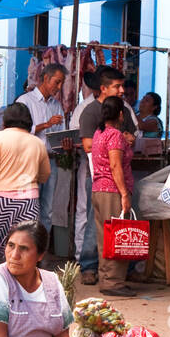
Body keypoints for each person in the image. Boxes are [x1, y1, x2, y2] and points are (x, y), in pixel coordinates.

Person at [0, 104, 51, 251]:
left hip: (0, 202)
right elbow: (45, 174)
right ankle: (19, 274)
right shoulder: (37, 143)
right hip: (29, 202)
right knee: (24, 246)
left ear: (5, 120)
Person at [90, 97, 135, 298]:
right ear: (120, 114)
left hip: (99, 189)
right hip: (112, 191)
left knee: (104, 237)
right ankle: (114, 281)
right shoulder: (115, 135)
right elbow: (115, 165)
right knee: (117, 236)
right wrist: (124, 193)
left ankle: (106, 278)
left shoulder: (99, 133)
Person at [72, 67, 113, 285]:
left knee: (114, 222)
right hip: (95, 175)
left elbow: (134, 135)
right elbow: (87, 145)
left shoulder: (121, 109)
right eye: (117, 86)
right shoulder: (89, 111)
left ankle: (113, 266)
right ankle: (88, 263)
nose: (122, 90)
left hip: (117, 178)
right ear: (104, 88)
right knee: (92, 218)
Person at [17, 63, 69, 233]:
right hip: (30, 162)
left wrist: (66, 144)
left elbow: (60, 134)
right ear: (46, 78)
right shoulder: (25, 101)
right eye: (57, 82)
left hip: (51, 161)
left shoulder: (56, 105)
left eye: (62, 83)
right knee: (29, 207)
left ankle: (40, 251)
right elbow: (19, 131)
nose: (59, 87)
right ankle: (26, 245)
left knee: (47, 210)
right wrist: (45, 125)